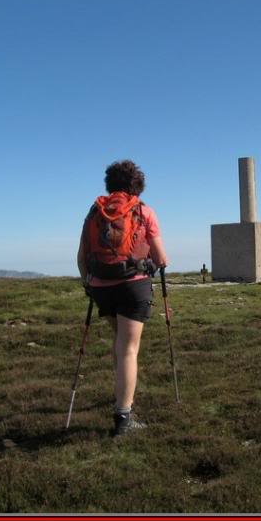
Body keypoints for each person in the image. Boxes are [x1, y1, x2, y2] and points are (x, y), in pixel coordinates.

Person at [77, 160, 168, 436]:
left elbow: (81, 258)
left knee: (119, 343)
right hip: (133, 286)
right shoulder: (144, 210)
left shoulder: (95, 212)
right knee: (128, 349)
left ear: (110, 183)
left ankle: (121, 395)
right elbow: (161, 258)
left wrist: (89, 285)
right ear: (137, 185)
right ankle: (123, 417)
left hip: (102, 287)